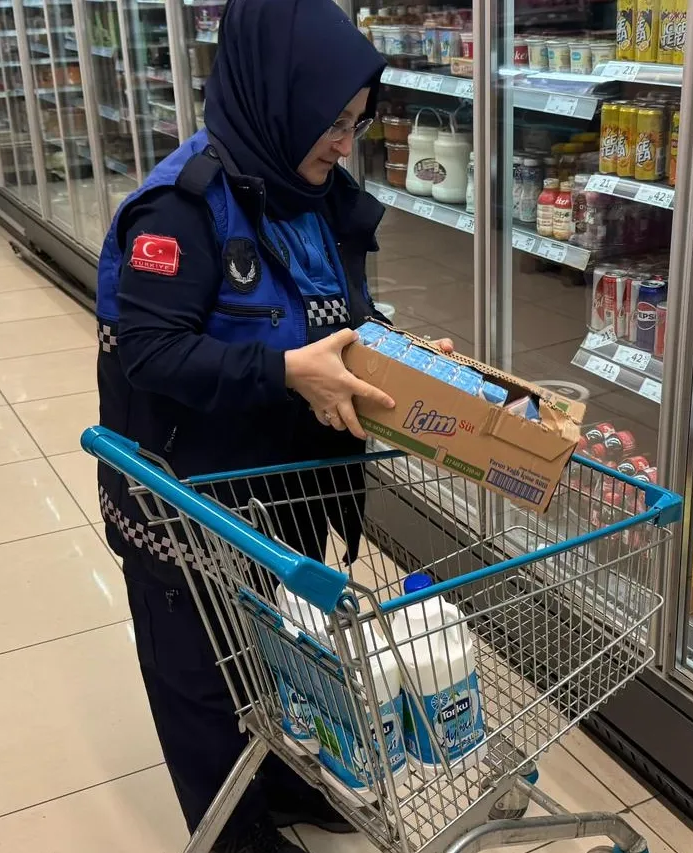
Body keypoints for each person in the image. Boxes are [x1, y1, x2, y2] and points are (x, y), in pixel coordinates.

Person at [93, 0, 450, 850]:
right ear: (276, 100)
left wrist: (397, 356)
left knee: (280, 646)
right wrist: (286, 371)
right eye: (332, 123)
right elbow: (150, 351)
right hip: (186, 497)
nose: (344, 144)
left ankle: (287, 779)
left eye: (356, 123)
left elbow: (338, 314)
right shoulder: (179, 209)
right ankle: (234, 834)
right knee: (201, 673)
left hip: (281, 485)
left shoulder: (309, 194)